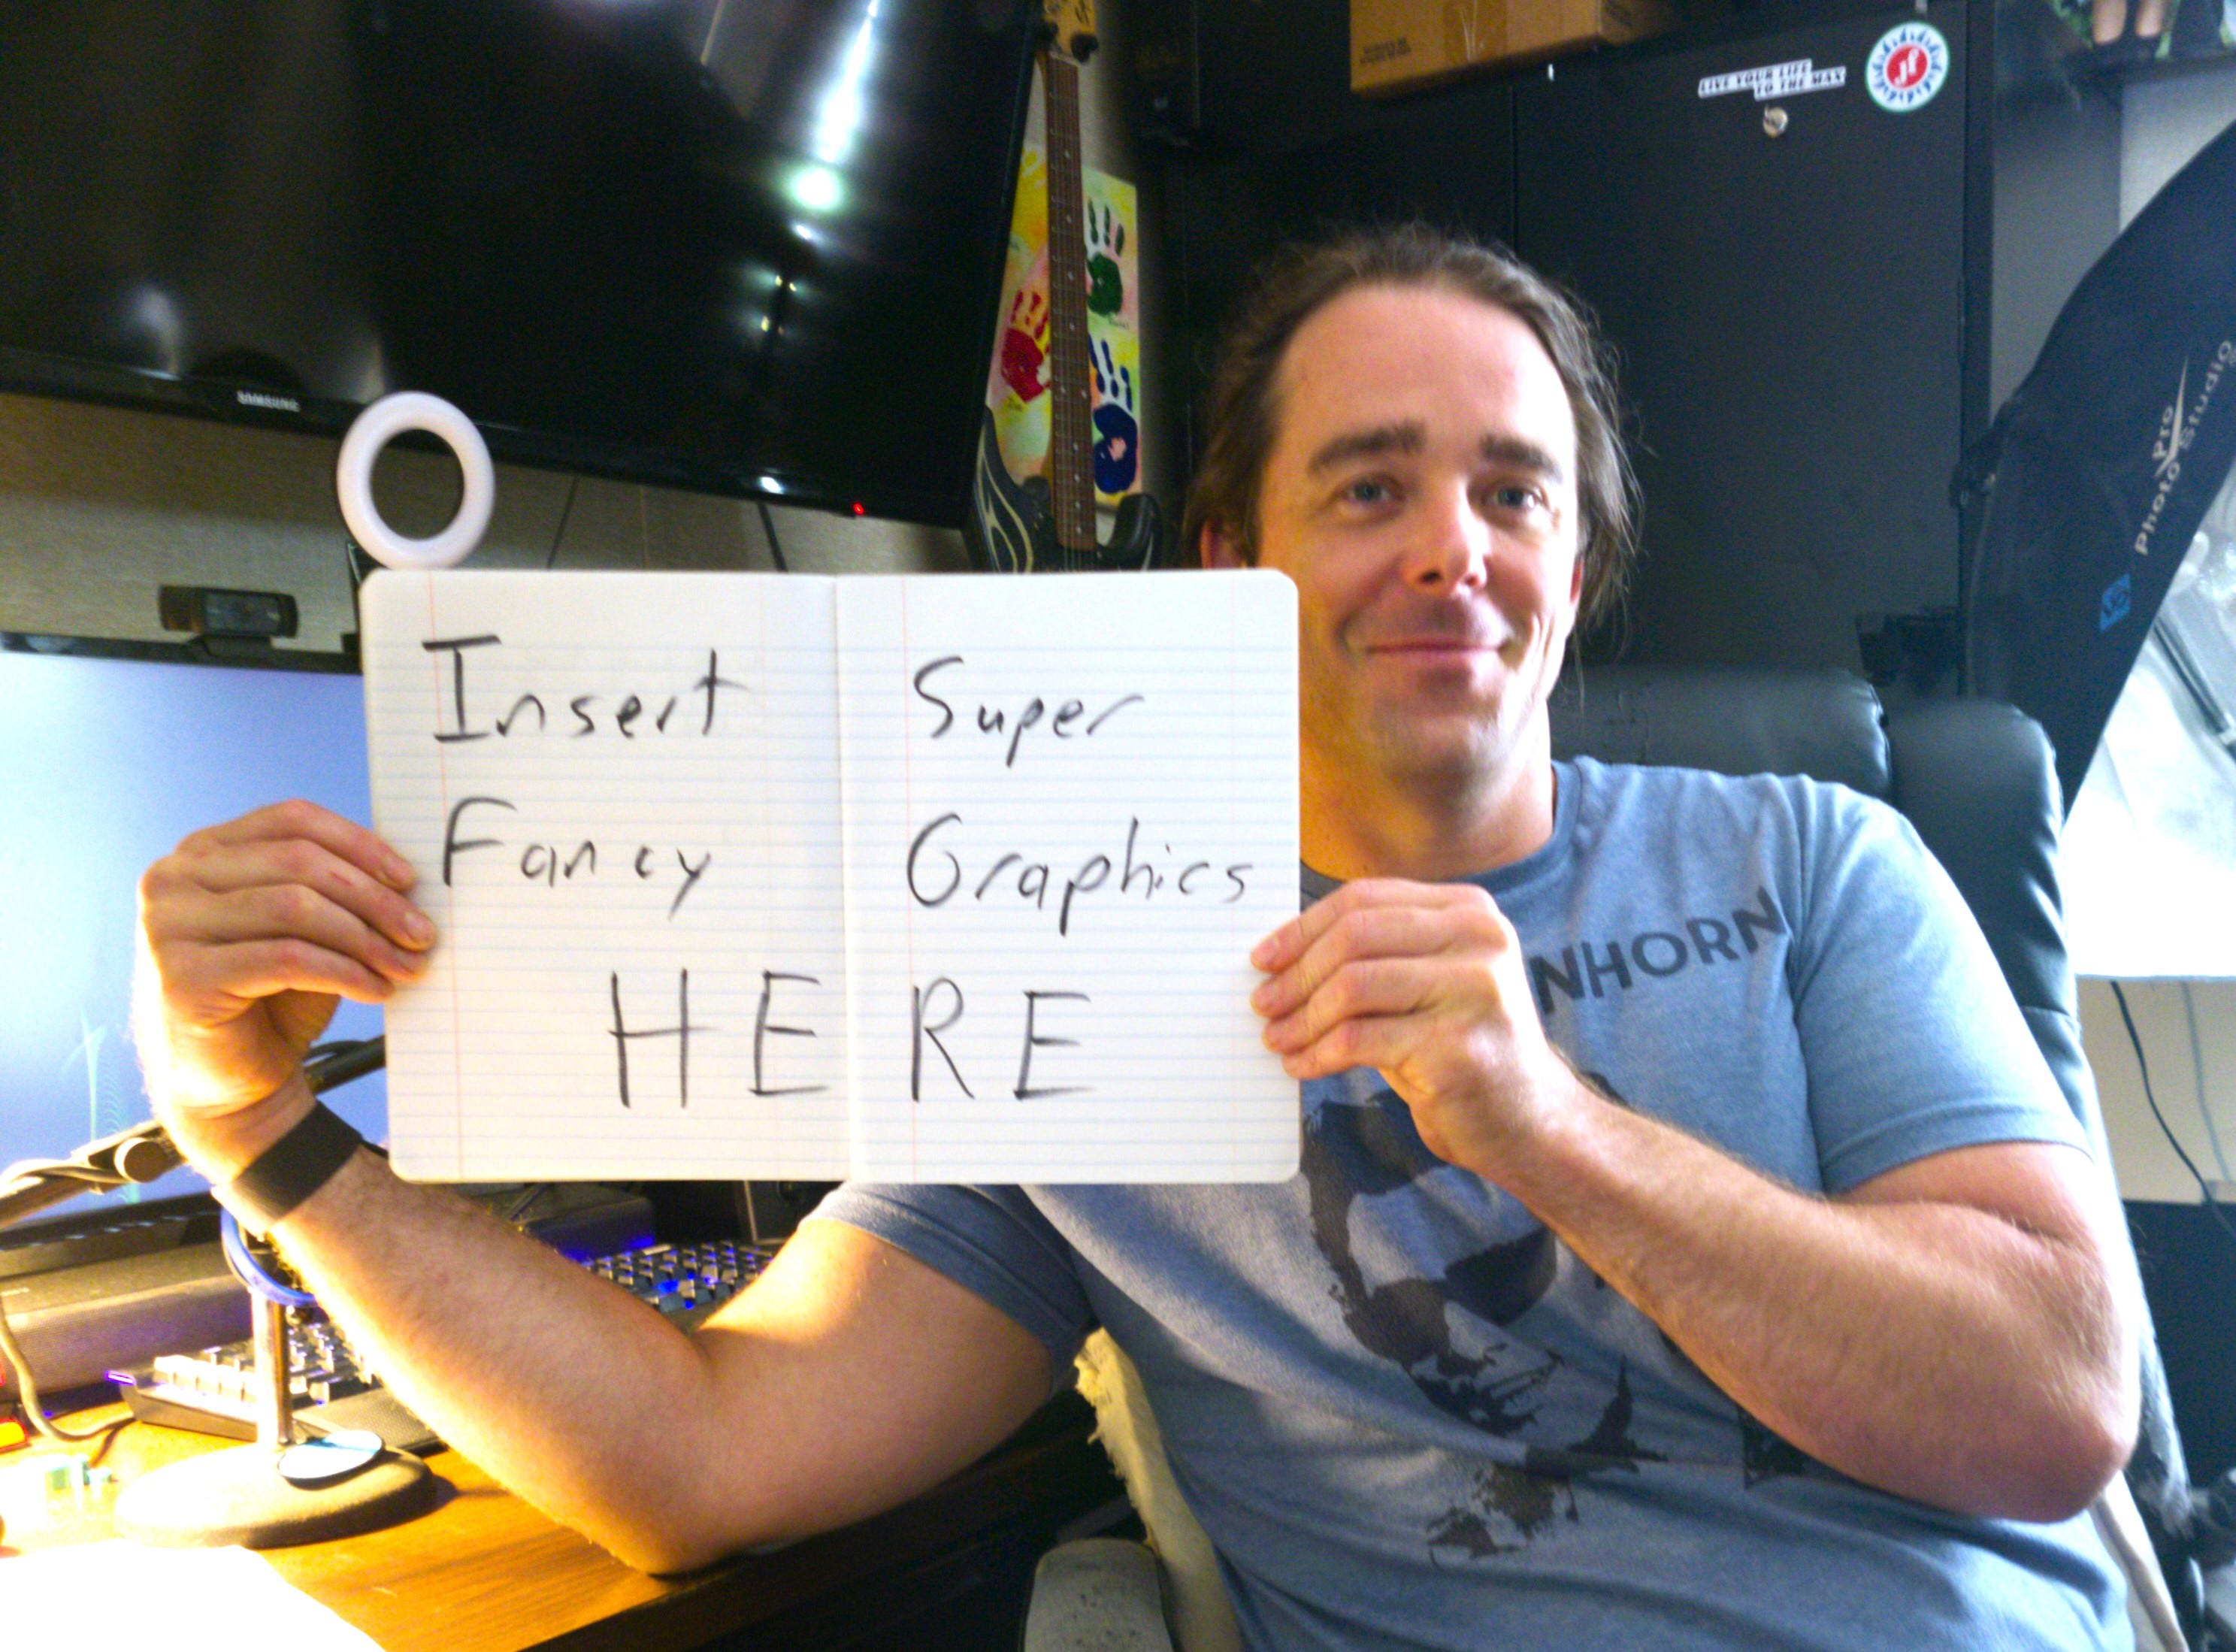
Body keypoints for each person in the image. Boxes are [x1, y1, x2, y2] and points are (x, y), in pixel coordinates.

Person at [136, 226, 2143, 1647]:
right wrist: (261, 1137)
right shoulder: (1073, 962)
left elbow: (2056, 1404)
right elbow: (702, 1458)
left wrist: (1550, 1129)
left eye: (1515, 493)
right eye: (1370, 487)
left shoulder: (1820, 860)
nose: (1453, 548)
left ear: (1580, 559)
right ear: (1229, 557)